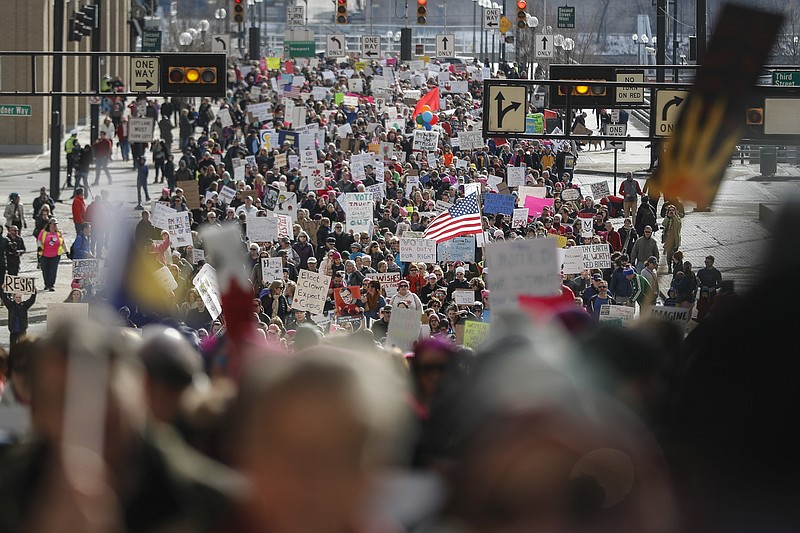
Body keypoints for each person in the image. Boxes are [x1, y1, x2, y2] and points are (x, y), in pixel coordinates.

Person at [37, 218, 66, 291]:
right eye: (54, 224)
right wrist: (39, 247)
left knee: (53, 271)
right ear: (49, 224)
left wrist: (66, 252)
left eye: (56, 224)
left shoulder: (59, 233)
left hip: (55, 255)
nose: (55, 226)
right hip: (44, 254)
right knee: (45, 270)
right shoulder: (44, 232)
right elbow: (39, 240)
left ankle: (51, 285)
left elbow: (62, 243)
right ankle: (46, 284)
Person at [662, 204, 682, 273]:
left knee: (675, 255)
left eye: (673, 210)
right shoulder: (667, 218)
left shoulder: (677, 218)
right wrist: (668, 217)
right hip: (668, 240)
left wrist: (674, 216)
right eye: (670, 210)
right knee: (669, 256)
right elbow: (663, 224)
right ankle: (669, 267)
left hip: (675, 240)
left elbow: (678, 225)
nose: (671, 211)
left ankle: (675, 268)